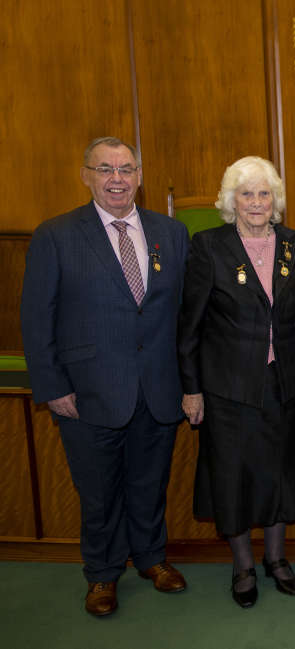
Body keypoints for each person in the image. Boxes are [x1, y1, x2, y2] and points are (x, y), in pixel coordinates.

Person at [20, 136, 189, 617]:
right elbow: (36, 318)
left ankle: (153, 560)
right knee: (97, 492)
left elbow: (183, 314)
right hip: (87, 393)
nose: (117, 178)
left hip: (157, 388)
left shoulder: (170, 234)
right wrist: (52, 388)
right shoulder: (56, 235)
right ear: (87, 175)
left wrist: (187, 383)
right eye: (106, 169)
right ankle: (101, 574)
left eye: (126, 168)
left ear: (139, 176)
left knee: (149, 484)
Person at [178, 156, 295, 609]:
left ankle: (276, 560)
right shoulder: (208, 247)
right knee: (232, 477)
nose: (256, 202)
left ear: (275, 200)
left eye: (264, 193)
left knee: (279, 473)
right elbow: (189, 325)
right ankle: (243, 566)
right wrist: (191, 388)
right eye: (246, 193)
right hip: (227, 388)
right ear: (230, 200)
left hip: (283, 383)